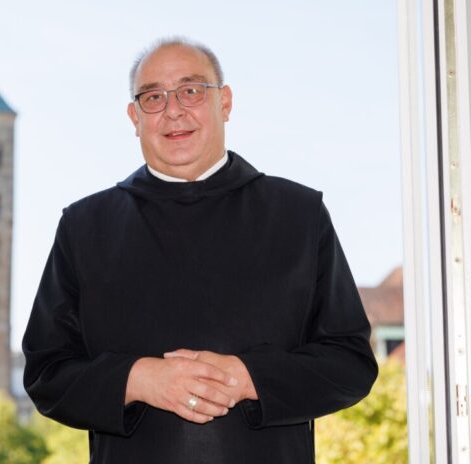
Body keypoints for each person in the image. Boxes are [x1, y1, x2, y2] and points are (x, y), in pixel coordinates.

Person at [22, 37, 378, 463]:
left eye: (191, 91)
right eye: (153, 97)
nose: (173, 110)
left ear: (224, 103)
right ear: (135, 118)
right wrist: (138, 380)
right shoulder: (84, 227)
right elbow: (46, 374)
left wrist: (249, 378)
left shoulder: (300, 214)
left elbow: (350, 364)